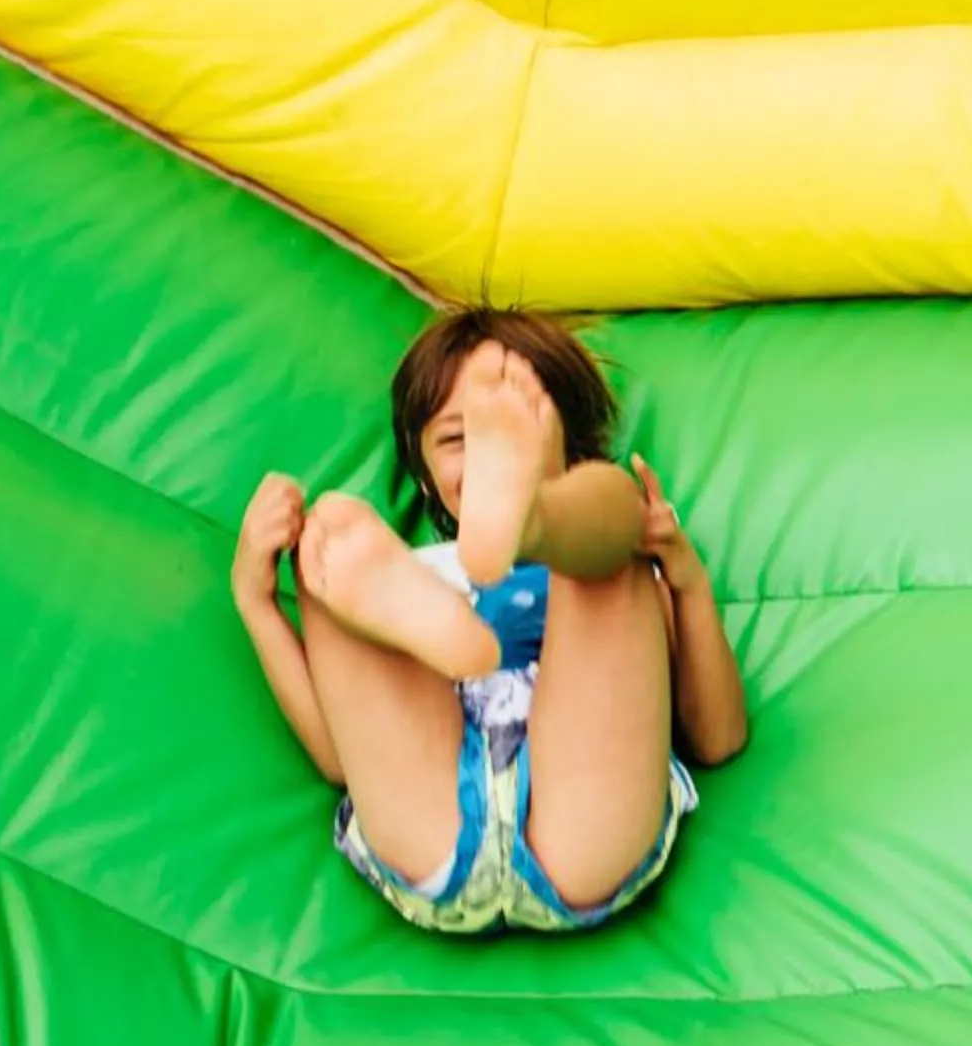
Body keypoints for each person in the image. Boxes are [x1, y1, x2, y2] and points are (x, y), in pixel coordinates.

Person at [230, 308, 748, 935]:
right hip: (428, 804)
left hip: (580, 818)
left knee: (615, 514)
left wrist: (684, 578)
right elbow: (346, 760)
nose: (475, 455)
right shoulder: (401, 569)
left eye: (500, 430)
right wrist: (256, 603)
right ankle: (450, 625)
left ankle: (536, 523)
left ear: (568, 442)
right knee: (331, 531)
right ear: (424, 477)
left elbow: (717, 737)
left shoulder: (615, 575)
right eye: (456, 439)